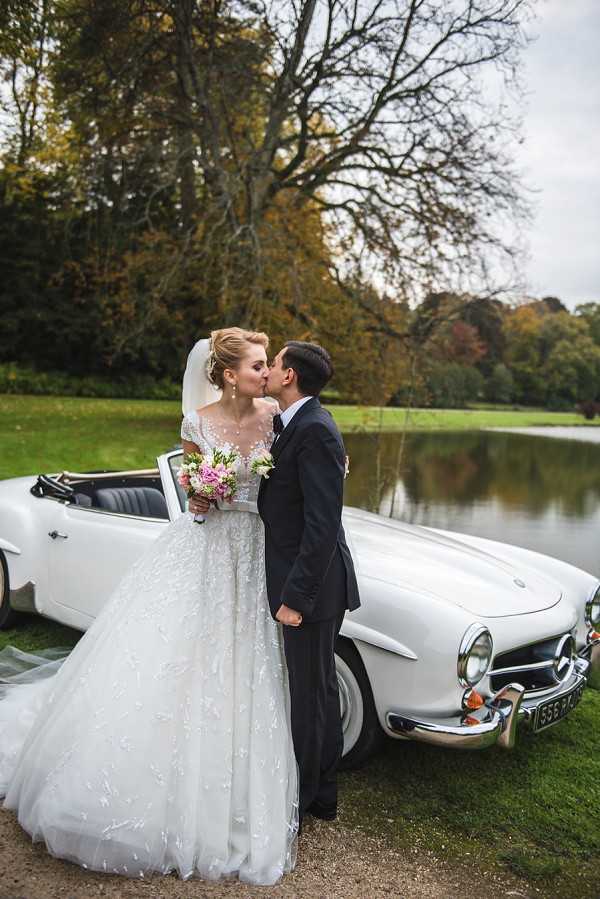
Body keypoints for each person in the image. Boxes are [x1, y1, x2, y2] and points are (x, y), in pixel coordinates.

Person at [0, 327, 298, 885]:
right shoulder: (197, 423)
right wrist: (205, 490)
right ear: (231, 374)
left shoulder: (276, 419)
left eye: (267, 365)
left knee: (241, 653)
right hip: (206, 546)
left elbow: (296, 473)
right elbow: (194, 496)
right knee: (179, 653)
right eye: (258, 366)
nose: (269, 374)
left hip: (255, 550)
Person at [256, 341, 361, 825]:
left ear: (290, 375)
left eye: (274, 363)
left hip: (313, 589)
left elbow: (321, 527)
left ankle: (311, 797)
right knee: (313, 689)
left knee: (312, 696)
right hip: (307, 581)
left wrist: (296, 598)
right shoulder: (300, 423)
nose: (270, 369)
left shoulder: (315, 430)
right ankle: (320, 796)